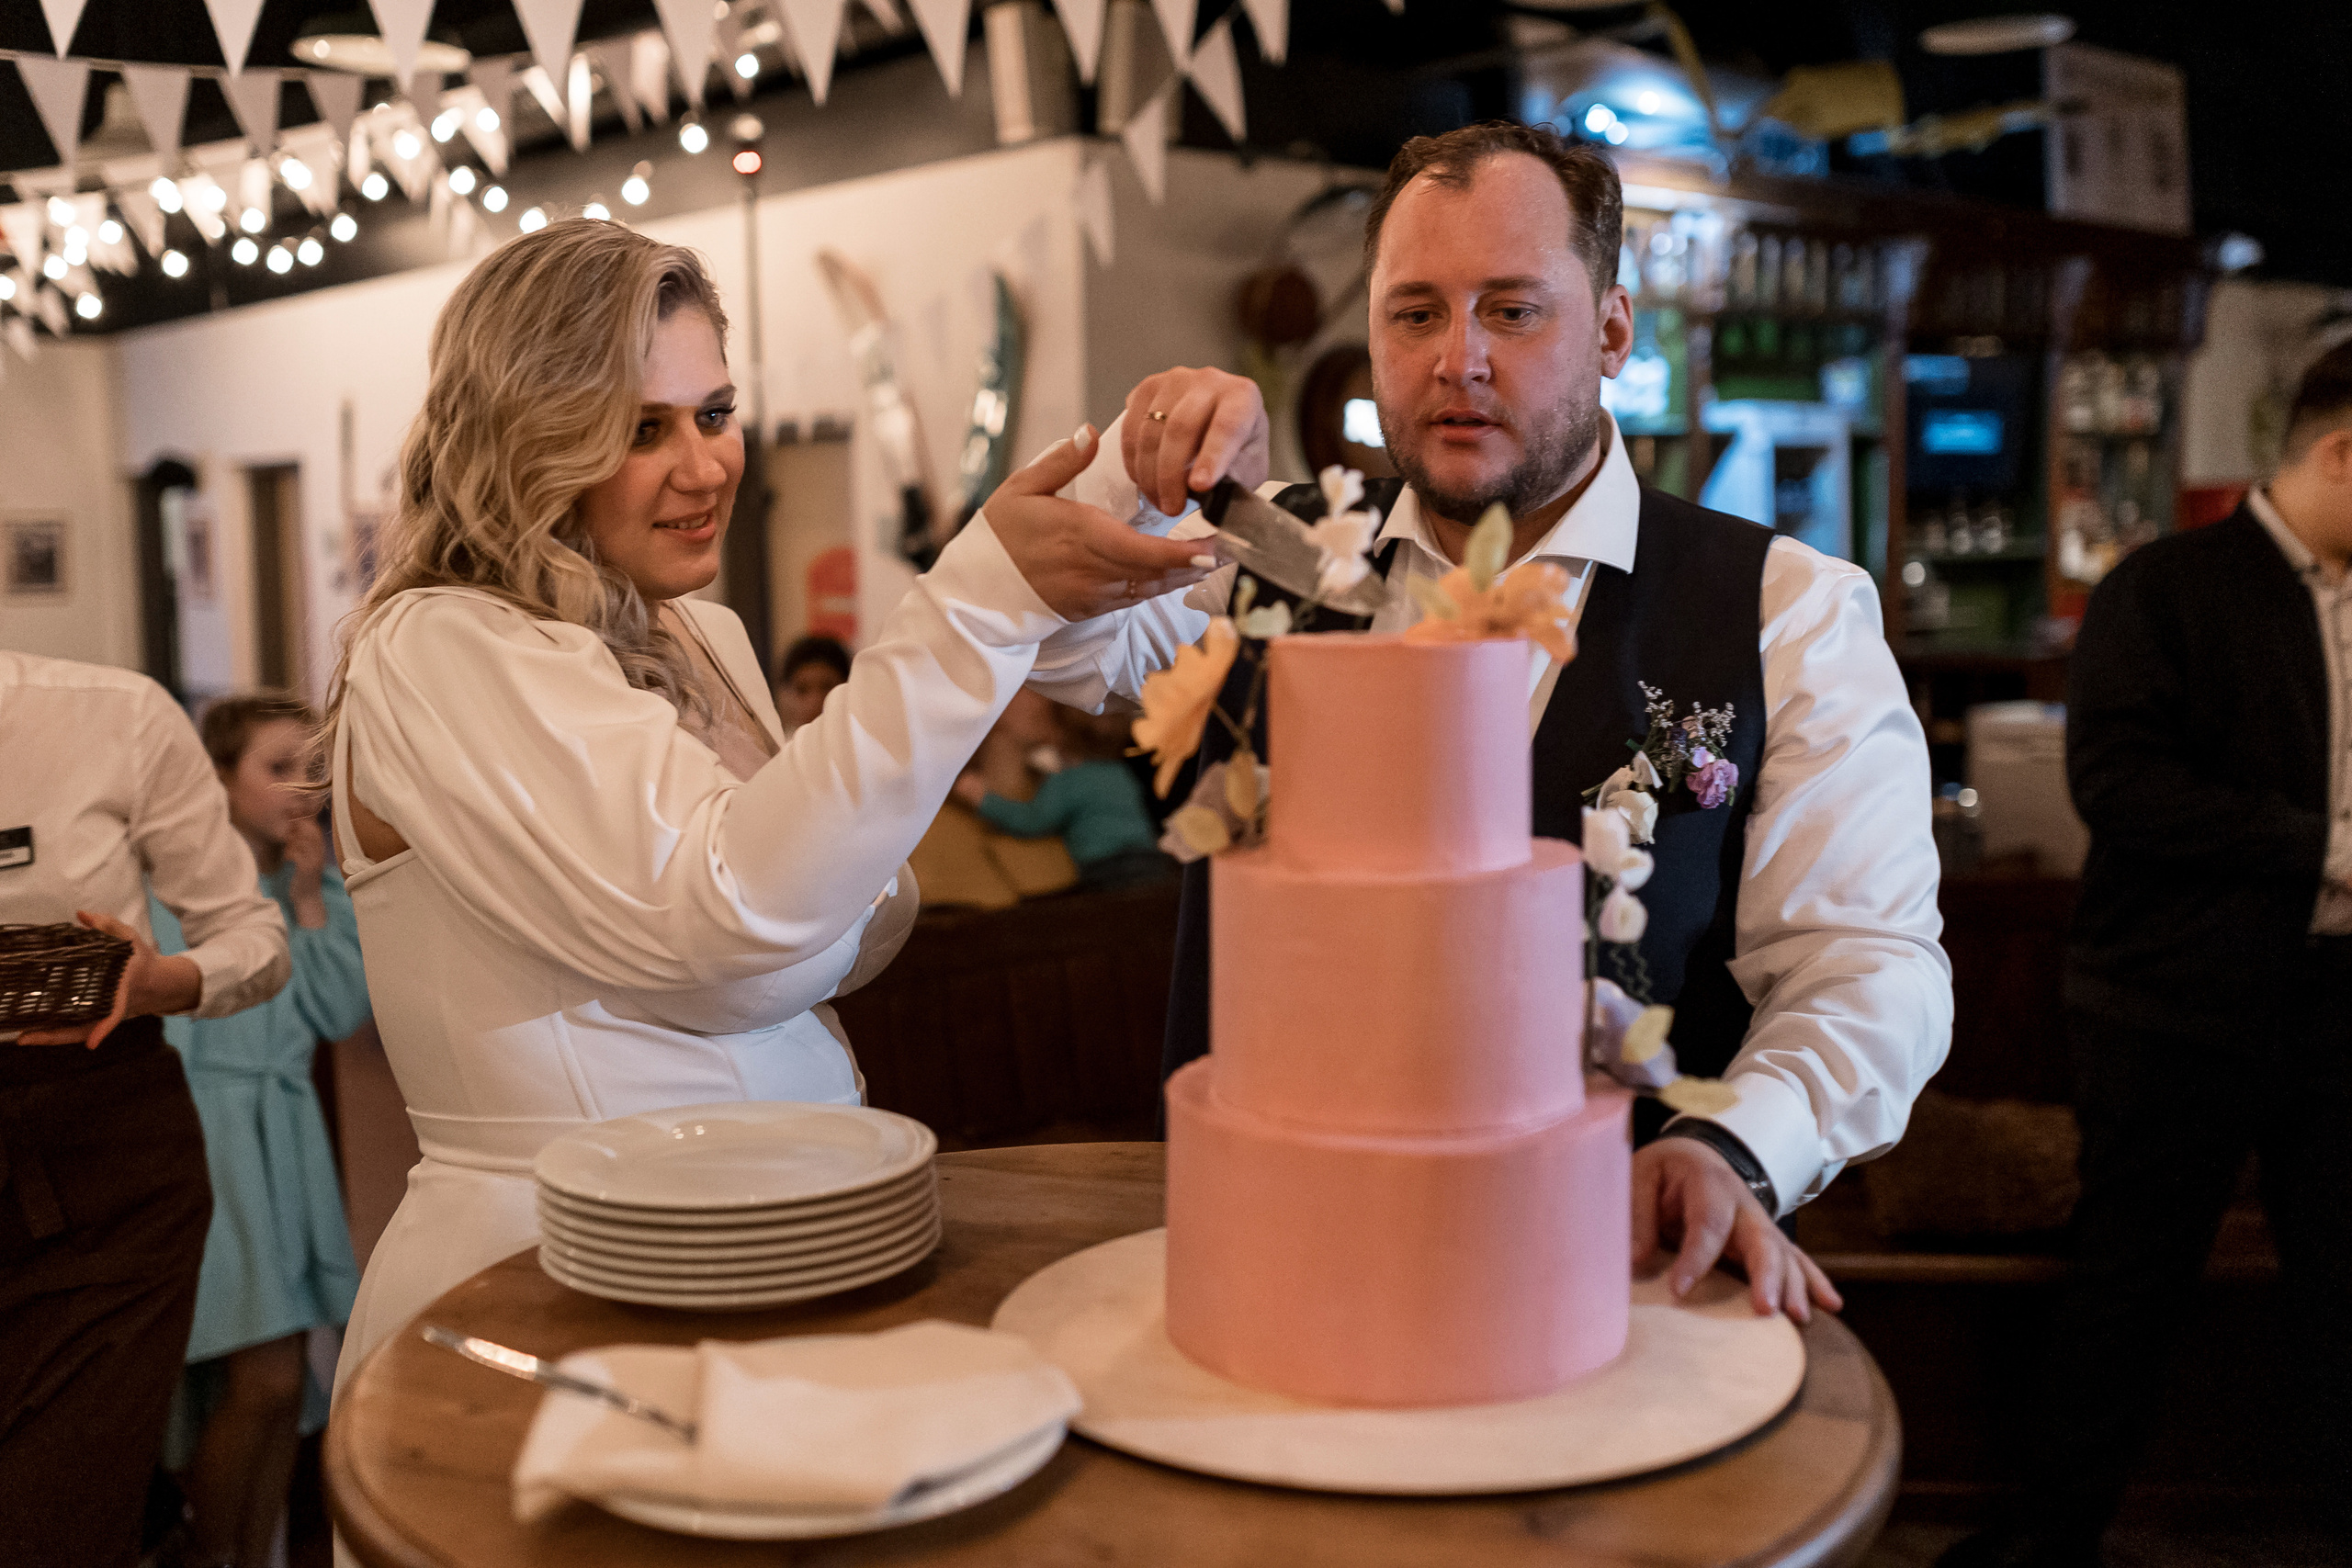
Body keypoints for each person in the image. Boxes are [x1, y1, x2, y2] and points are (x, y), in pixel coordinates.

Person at [1026, 121, 1951, 1321]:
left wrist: (1736, 1147)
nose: (1457, 359)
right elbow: (1043, 647)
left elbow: (1866, 963)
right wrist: (1137, 469)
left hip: (1599, 1283)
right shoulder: (1263, 552)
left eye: (1512, 311)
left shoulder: (1786, 610)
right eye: (1416, 313)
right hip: (1263, 1265)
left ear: (1614, 327)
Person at [322, 219, 1206, 1385]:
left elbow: (829, 883)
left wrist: (1120, 505)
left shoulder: (704, 633)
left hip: (780, 1250)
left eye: (714, 413)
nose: (703, 466)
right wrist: (973, 609)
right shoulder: (440, 647)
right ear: (525, 435)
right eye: (640, 429)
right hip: (557, 1291)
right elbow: (727, 915)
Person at [1943, 345, 2352, 1566]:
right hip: (2177, 1003)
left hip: (2339, 1001)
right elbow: (2117, 785)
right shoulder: (2170, 584)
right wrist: (2327, 847)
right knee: (2128, 1288)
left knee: (2343, 1287)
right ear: (2341, 452)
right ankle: (2052, 1540)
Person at [0, 652, 289, 1568]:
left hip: (103, 1155)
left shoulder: (113, 714)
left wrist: (164, 980)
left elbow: (255, 937)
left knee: (59, 1517)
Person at [153, 693, 370, 1568]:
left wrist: (313, 888)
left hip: (287, 1143)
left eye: (311, 769)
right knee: (264, 1376)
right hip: (214, 1151)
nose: (301, 789)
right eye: (277, 767)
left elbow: (336, 1006)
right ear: (216, 780)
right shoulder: (161, 892)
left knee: (286, 1394)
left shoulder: (295, 888)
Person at [953, 703, 1171, 888]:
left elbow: (1033, 820)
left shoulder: (1069, 781)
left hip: (1106, 868)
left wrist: (983, 798)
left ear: (1059, 734)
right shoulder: (1120, 774)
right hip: (1149, 858)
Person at [775, 632, 852, 731]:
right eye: (802, 689)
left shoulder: (863, 743)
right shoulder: (780, 746)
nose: (814, 702)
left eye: (827, 687)